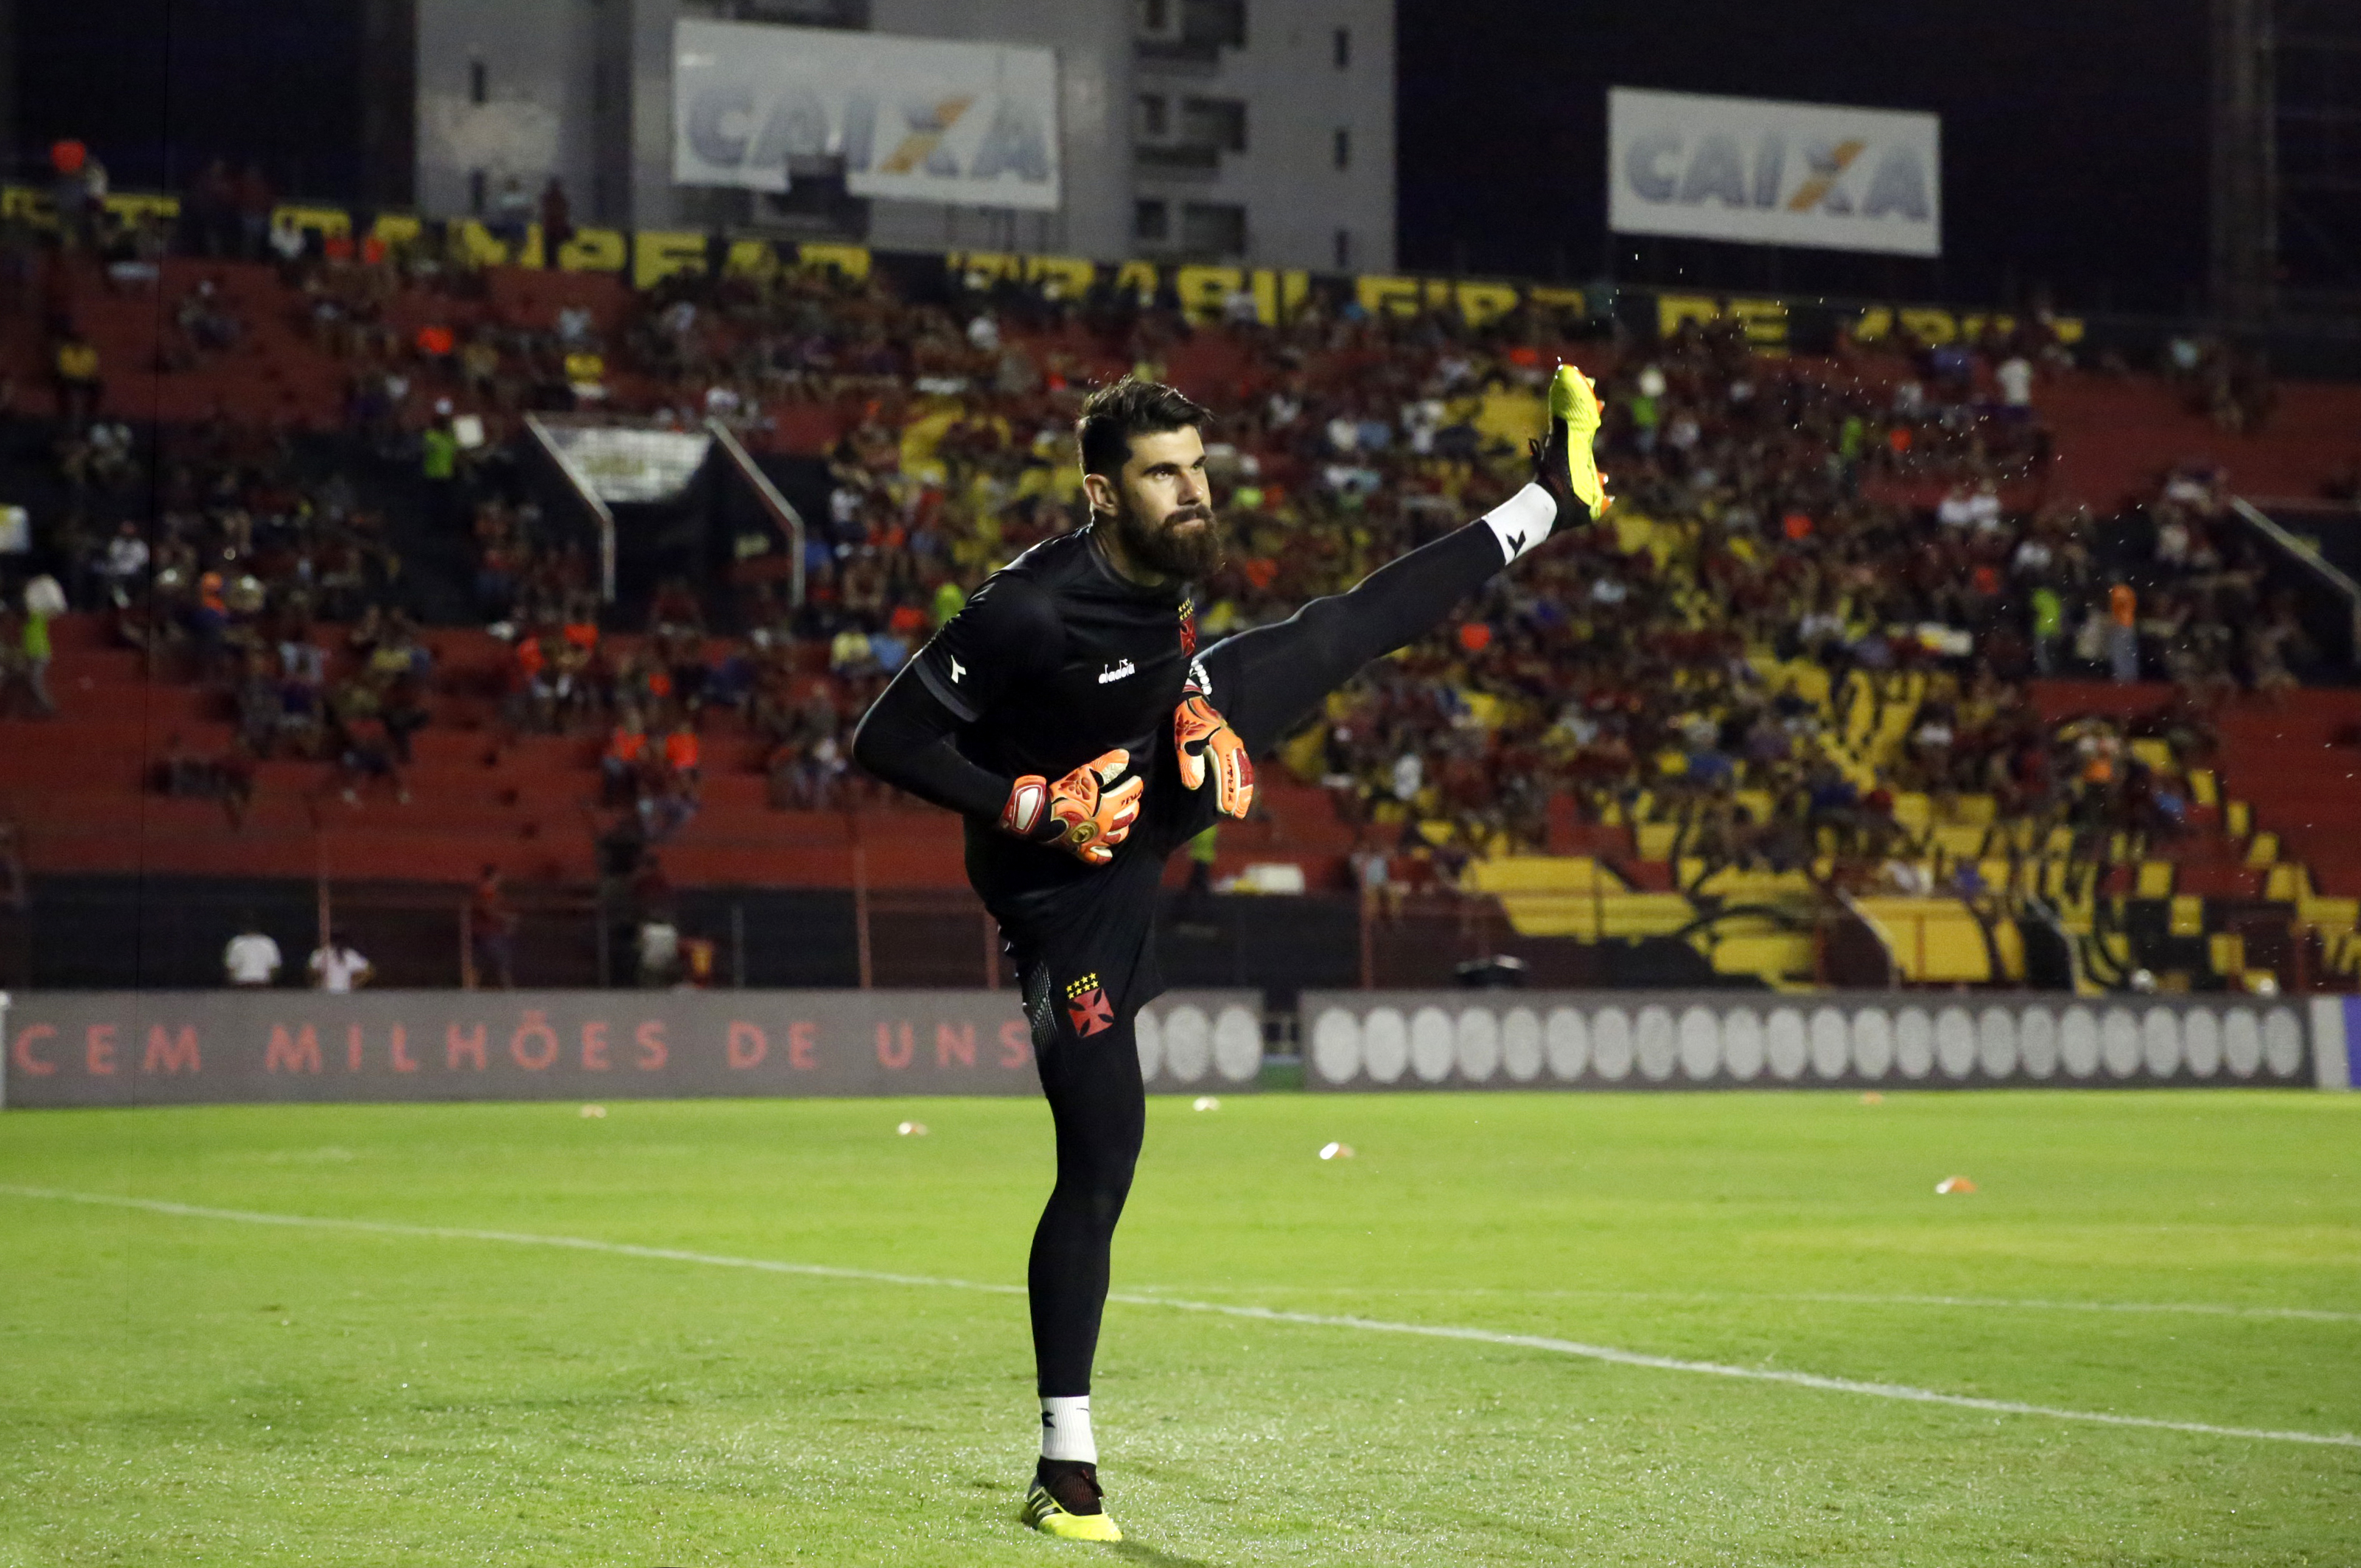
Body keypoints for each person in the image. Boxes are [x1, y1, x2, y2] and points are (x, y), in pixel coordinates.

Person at [851, 368, 1609, 1540]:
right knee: (1103, 1157)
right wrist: (1031, 808)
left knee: (1342, 628)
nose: (1193, 491)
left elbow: (1154, 677)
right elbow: (885, 737)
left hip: (1156, 766)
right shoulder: (1028, 609)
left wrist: (1187, 727)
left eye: (1198, 468)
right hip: (1065, 890)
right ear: (1103, 493)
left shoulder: (1172, 569)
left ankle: (1550, 499)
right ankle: (1065, 1466)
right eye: (1163, 475)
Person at [223, 917, 283, 988]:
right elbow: (274, 967)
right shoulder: (268, 943)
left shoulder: (236, 943)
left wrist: (232, 984)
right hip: (262, 983)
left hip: (241, 984)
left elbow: (230, 967)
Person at [307, 933, 374, 993]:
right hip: (338, 993)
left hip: (331, 993)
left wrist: (355, 984)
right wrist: (355, 984)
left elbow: (310, 971)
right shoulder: (322, 954)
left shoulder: (349, 955)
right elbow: (369, 971)